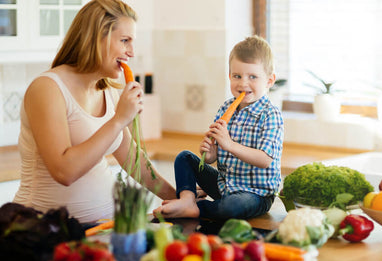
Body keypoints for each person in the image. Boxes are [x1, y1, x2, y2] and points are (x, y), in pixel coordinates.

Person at [13, 0, 175, 224]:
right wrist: (119, 120)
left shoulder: (106, 89)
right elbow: (64, 172)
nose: (131, 52)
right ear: (97, 37)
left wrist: (180, 198)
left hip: (107, 228)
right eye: (124, 41)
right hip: (47, 231)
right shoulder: (47, 88)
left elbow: (134, 162)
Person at [153, 36, 284, 220]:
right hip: (224, 185)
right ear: (229, 76)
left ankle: (198, 209)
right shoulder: (225, 108)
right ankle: (187, 198)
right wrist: (210, 154)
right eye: (237, 76)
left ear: (269, 81)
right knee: (184, 157)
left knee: (232, 207)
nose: (243, 83)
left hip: (255, 194)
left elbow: (264, 160)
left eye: (252, 77)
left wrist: (229, 144)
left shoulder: (271, 115)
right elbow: (213, 159)